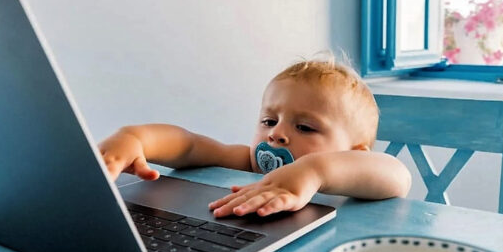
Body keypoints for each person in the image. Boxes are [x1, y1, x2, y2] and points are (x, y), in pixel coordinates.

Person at [99, 57, 411, 218]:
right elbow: (190, 145)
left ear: (355, 152)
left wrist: (314, 170)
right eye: (269, 120)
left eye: (304, 127)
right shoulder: (250, 166)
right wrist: (137, 138)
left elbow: (397, 177)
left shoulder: (357, 178)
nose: (276, 133)